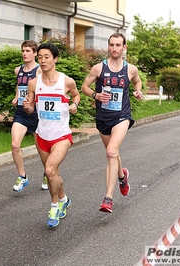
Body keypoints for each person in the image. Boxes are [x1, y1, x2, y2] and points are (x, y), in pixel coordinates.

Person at [81, 32, 143, 213]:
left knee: (110, 152)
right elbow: (84, 87)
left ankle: (108, 199)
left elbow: (137, 82)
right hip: (103, 117)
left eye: (118, 45)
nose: (114, 48)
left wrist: (138, 91)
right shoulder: (98, 68)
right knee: (113, 153)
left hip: (122, 116)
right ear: (108, 46)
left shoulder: (130, 69)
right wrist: (95, 95)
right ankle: (122, 176)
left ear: (124, 48)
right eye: (111, 45)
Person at [23, 42, 80, 227]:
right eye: (40, 57)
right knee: (52, 174)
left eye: (47, 57)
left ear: (55, 59)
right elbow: (31, 108)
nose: (43, 60)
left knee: (49, 170)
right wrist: (28, 106)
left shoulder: (66, 81)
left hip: (61, 136)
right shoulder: (33, 83)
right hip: (42, 136)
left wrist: (74, 104)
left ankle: (54, 206)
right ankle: (64, 199)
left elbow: (76, 95)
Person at [11, 40, 49, 192]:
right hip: (21, 112)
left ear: (35, 53)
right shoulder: (17, 70)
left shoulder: (40, 71)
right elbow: (20, 86)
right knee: (15, 145)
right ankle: (22, 177)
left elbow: (46, 88)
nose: (25, 54)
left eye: (28, 51)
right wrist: (16, 97)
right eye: (23, 51)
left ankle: (48, 172)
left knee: (41, 150)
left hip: (36, 114)